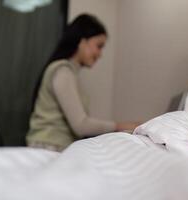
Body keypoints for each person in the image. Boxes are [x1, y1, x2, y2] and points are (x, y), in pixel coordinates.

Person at [26, 14, 139, 151]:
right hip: (49, 146)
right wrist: (120, 126)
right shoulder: (63, 71)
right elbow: (80, 125)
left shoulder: (67, 72)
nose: (100, 54)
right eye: (99, 46)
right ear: (82, 42)